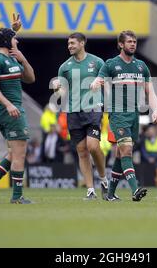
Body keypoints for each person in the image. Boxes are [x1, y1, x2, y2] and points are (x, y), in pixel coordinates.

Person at [91, 30, 157, 202]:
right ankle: (135, 189)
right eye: (129, 41)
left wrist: (155, 110)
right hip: (118, 114)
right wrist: (95, 83)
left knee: (121, 155)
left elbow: (150, 91)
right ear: (121, 44)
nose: (133, 44)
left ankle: (110, 193)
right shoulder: (111, 64)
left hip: (134, 115)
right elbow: (97, 81)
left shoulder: (141, 66)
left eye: (134, 42)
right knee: (127, 149)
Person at [0, 24, 36, 204]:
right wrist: (8, 104)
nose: (16, 40)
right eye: (14, 38)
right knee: (20, 154)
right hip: (10, 110)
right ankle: (17, 197)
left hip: (13, 109)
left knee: (13, 153)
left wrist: (24, 59)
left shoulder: (11, 58)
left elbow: (30, 79)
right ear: (6, 42)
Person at [53, 32, 109, 200]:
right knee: (82, 151)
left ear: (82, 43)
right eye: (68, 43)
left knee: (93, 146)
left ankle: (104, 179)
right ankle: (90, 190)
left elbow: (107, 82)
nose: (69, 46)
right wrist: (57, 89)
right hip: (73, 111)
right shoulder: (64, 67)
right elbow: (62, 94)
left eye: (72, 43)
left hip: (93, 108)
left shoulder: (97, 62)